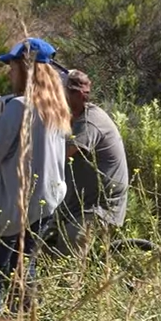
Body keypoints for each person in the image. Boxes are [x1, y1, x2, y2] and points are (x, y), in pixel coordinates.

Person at [0, 38, 71, 314]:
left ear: (26, 70)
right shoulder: (57, 107)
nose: (9, 73)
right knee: (24, 272)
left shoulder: (19, 106)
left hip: (15, 208)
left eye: (12, 67)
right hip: (44, 205)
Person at [49, 69, 129, 257]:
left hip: (99, 208)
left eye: (60, 92)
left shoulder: (90, 122)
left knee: (70, 244)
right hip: (76, 205)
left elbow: (61, 155)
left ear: (77, 95)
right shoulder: (73, 118)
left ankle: (72, 285)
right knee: (41, 239)